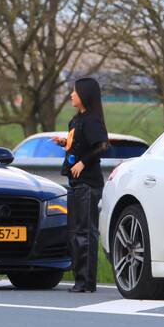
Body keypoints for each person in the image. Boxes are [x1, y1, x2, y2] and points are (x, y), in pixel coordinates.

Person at [54, 77, 108, 293]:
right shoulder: (76, 121)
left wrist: (83, 163)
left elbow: (102, 146)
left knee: (85, 232)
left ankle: (86, 282)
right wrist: (64, 143)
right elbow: (79, 145)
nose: (71, 95)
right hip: (75, 183)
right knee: (75, 231)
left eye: (75, 92)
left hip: (88, 183)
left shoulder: (92, 120)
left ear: (84, 95)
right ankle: (79, 278)